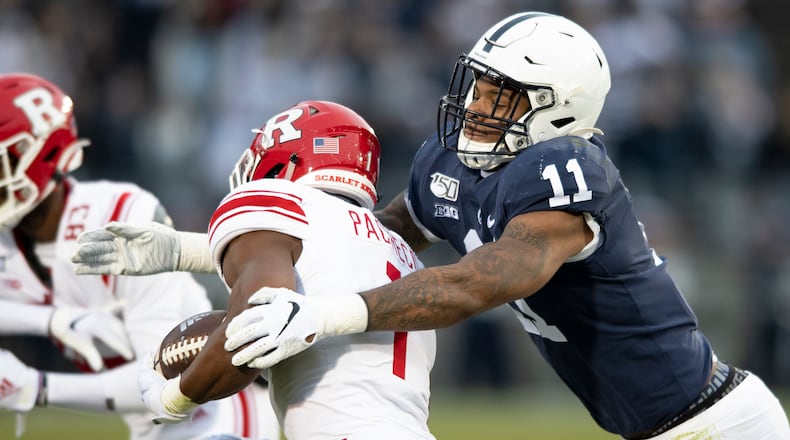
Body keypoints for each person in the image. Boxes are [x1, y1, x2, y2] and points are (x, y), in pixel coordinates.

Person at [72, 12, 790, 439]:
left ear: (560, 109)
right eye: (479, 84)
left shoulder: (572, 169)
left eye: (505, 96)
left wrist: (324, 315)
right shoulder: (447, 163)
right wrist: (193, 250)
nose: (478, 105)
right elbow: (366, 242)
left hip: (716, 425)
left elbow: (486, 280)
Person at [131, 100, 436, 439]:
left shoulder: (276, 204)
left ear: (284, 161)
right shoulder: (402, 254)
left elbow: (255, 334)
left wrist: (172, 398)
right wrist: (179, 251)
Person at [0, 73, 279, 440]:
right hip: (151, 428)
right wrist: (51, 320)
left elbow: (162, 377)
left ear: (45, 152)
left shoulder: (118, 217)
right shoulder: (10, 240)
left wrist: (35, 387)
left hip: (213, 417)